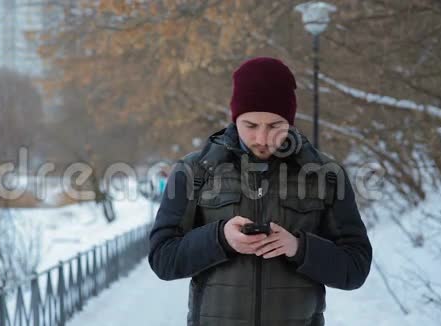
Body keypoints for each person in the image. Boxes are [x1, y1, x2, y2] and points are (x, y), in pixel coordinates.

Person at [148, 57, 372, 326]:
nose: (262, 139)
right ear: (235, 118)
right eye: (251, 126)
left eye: (275, 126)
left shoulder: (326, 174)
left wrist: (298, 247)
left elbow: (355, 267)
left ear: (289, 120)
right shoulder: (195, 170)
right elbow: (163, 258)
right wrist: (219, 238)